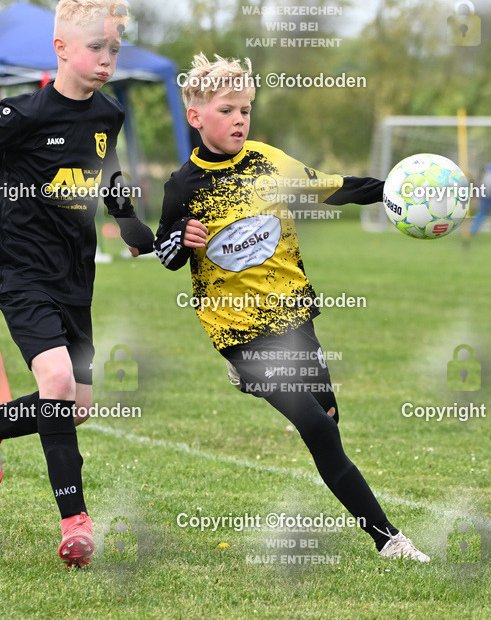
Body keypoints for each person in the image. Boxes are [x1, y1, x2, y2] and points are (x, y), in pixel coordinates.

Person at [154, 53, 430, 562]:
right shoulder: (182, 186)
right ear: (196, 117)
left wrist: (393, 190)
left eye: (246, 109)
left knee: (329, 415)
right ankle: (389, 540)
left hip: (292, 317)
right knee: (318, 430)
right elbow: (166, 250)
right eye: (227, 110)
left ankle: (254, 382)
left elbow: (336, 187)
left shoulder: (268, 162)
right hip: (238, 331)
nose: (239, 119)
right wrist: (181, 239)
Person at [0, 0, 154, 568]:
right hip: (21, 272)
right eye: (96, 47)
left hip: (76, 277)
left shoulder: (109, 112)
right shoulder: (25, 114)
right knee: (55, 385)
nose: (107, 59)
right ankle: (76, 523)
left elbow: (108, 175)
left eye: (115, 49)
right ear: (61, 48)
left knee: (75, 406)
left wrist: (130, 227)